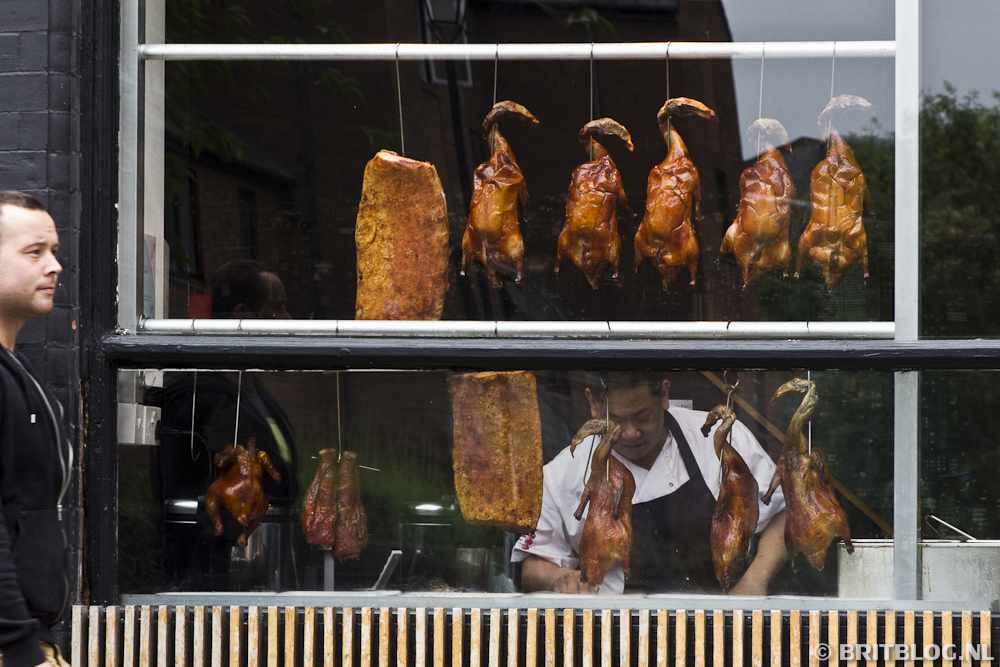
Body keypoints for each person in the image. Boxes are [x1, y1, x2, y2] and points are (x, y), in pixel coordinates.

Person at [514, 371, 787, 595]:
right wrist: (560, 578)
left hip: (715, 624)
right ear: (593, 404)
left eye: (643, 417)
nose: (631, 433)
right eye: (616, 421)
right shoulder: (563, 472)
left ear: (664, 394)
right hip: (614, 631)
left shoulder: (722, 440)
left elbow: (785, 513)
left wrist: (756, 578)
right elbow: (532, 567)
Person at [150, 260, 298, 590]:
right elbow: (186, 492)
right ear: (242, 314)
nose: (288, 321)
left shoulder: (257, 394)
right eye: (277, 309)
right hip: (217, 576)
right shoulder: (201, 401)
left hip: (267, 567)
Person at [0, 192, 73, 667]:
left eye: (55, 251)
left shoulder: (18, 371)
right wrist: (20, 647)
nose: (55, 266)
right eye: (34, 252)